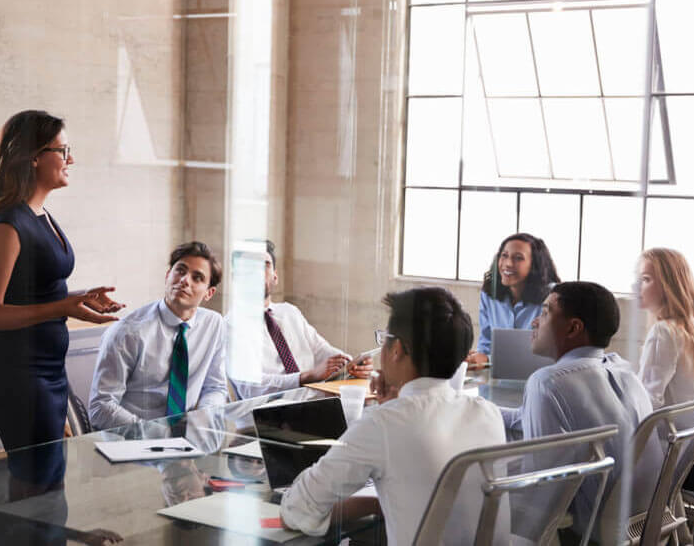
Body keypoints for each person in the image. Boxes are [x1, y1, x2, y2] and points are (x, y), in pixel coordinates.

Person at [280, 287, 509, 545]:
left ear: (397, 348)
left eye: (384, 338)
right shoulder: (487, 413)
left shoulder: (384, 423)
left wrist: (373, 503)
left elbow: (297, 510)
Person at [0, 110, 124, 487]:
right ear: (33, 157)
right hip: (19, 376)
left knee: (47, 483)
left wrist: (80, 298)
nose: (71, 159)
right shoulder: (7, 226)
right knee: (37, 486)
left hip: (48, 371)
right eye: (63, 150)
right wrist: (62, 308)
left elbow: (34, 291)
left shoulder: (42, 215)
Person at [502, 281, 658, 542]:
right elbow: (525, 417)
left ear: (573, 327)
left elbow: (541, 485)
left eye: (545, 312)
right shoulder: (622, 370)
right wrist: (478, 409)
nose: (534, 322)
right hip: (643, 524)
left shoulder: (546, 383)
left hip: (586, 533)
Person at [88, 241, 229, 430]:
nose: (185, 280)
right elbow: (100, 408)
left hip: (187, 440)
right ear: (167, 276)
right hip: (131, 440)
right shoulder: (128, 332)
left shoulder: (214, 324)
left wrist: (202, 419)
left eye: (197, 278)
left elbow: (215, 388)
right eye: (180, 270)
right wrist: (153, 433)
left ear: (209, 293)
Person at [230, 240, 373, 399]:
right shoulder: (230, 325)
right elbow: (251, 388)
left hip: (311, 404)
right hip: (266, 415)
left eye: (265, 265)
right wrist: (306, 376)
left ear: (275, 276)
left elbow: (322, 351)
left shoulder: (289, 312)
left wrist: (351, 364)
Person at [635, 248, 694, 416]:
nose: (637, 286)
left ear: (668, 286)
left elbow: (647, 401)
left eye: (646, 279)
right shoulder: (693, 328)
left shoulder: (663, 332)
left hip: (672, 436)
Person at [466, 233, 561, 369]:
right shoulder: (489, 294)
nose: (508, 264)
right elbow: (486, 344)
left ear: (534, 264)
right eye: (504, 256)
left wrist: (488, 359)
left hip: (540, 375)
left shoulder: (553, 296)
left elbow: (549, 353)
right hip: (498, 375)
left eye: (518, 258)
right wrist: (478, 358)